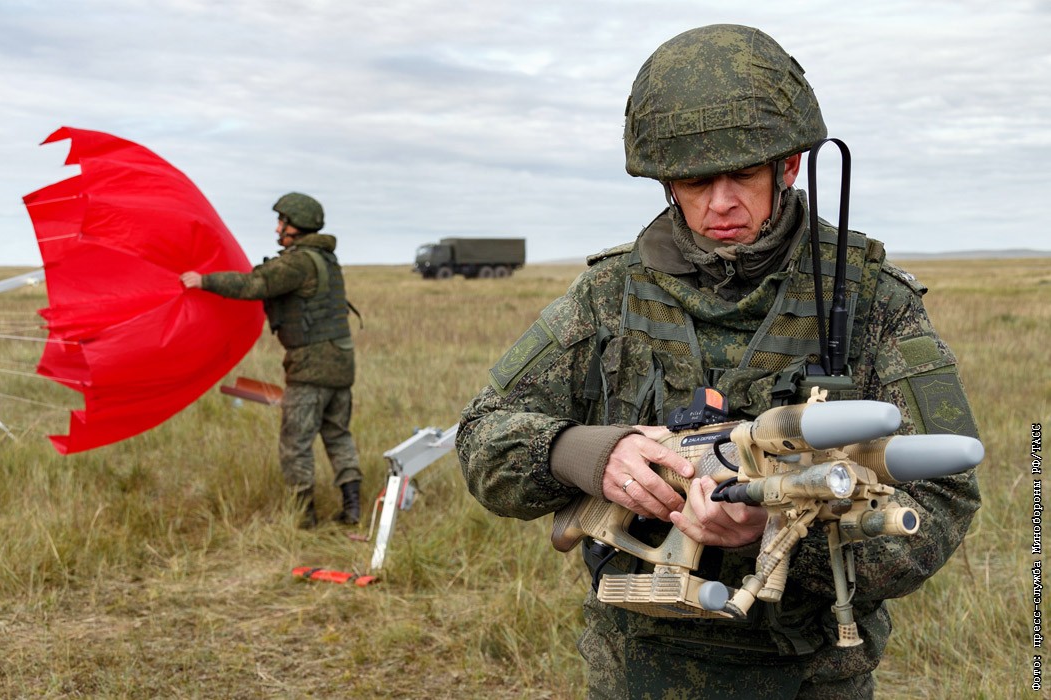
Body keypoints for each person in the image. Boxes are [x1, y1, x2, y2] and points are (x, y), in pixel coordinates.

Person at [456, 24, 980, 699]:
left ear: (788, 167)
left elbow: (941, 499)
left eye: (744, 175)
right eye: (696, 181)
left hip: (811, 677)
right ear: (666, 183)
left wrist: (778, 529)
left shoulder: (870, 300)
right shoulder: (609, 297)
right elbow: (483, 435)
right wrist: (588, 454)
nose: (721, 202)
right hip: (636, 672)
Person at [181, 192, 363, 527]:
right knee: (338, 435)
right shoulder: (326, 259)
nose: (278, 228)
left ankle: (304, 516)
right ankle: (353, 507)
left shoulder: (298, 262)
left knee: (295, 443)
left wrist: (203, 281)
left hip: (310, 368)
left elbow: (256, 284)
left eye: (282, 222)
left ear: (298, 226)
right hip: (341, 364)